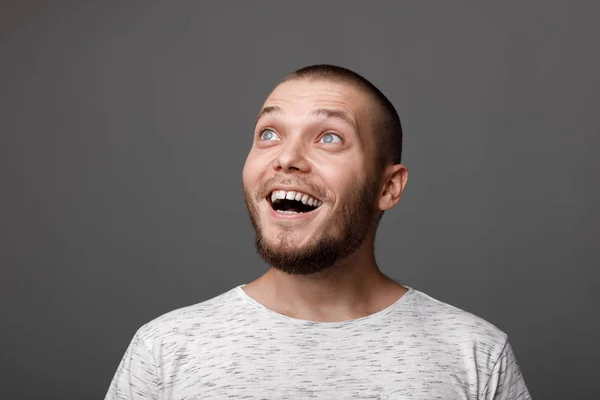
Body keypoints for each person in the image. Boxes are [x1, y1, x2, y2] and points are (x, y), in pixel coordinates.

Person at [105, 64, 531, 399]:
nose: (286, 158)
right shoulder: (164, 349)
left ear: (388, 187)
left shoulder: (476, 355)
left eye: (329, 137)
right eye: (268, 134)